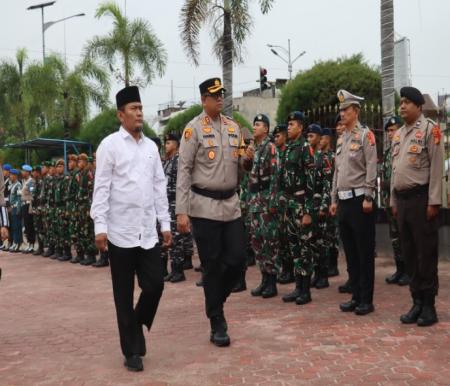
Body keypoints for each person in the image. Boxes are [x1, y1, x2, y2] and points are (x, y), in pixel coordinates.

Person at [91, 86, 171, 372]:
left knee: (155, 285)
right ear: (120, 114)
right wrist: (100, 227)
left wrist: (166, 223)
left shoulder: (151, 146)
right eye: (133, 109)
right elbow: (101, 189)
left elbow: (159, 187)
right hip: (120, 233)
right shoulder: (109, 146)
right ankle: (131, 351)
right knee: (122, 295)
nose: (139, 113)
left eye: (140, 108)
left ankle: (136, 324)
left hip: (147, 232)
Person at [176, 77, 246, 347]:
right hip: (203, 207)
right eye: (214, 95)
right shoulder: (193, 130)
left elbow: (241, 165)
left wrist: (247, 162)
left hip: (231, 205)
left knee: (238, 260)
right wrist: (182, 211)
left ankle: (217, 300)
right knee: (212, 266)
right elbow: (183, 170)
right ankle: (217, 321)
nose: (220, 99)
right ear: (203, 99)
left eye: (222, 94)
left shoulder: (233, 127)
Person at [391, 86, 443, 327]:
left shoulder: (430, 130)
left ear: (419, 106)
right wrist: (392, 200)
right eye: (400, 102)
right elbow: (394, 171)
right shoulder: (399, 134)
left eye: (407, 102)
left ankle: (429, 305)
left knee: (425, 254)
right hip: (402, 201)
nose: (402, 106)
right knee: (409, 254)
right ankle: (416, 301)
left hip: (422, 200)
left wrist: (434, 201)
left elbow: (436, 168)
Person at [330, 89, 377, 316]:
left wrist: (368, 196)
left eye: (345, 109)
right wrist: (333, 198)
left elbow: (371, 167)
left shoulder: (365, 135)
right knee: (350, 252)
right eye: (340, 109)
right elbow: (337, 173)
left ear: (355, 111)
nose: (341, 113)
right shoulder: (341, 139)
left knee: (364, 252)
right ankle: (356, 295)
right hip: (344, 201)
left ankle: (366, 299)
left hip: (360, 201)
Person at [280, 112, 314, 306]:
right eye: (288, 124)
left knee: (304, 247)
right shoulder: (288, 148)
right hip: (290, 204)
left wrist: (308, 211)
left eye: (292, 124)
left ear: (300, 127)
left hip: (301, 203)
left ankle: (306, 290)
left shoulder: (305, 148)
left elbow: (310, 181)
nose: (289, 127)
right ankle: (298, 287)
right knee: (294, 247)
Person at [244, 114, 279, 298]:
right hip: (255, 200)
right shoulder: (255, 148)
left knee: (269, 241)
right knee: (257, 241)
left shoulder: (270, 148)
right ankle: (264, 278)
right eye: (254, 124)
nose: (254, 127)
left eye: (257, 124)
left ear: (266, 129)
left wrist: (273, 202)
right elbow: (246, 169)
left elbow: (275, 176)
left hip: (266, 200)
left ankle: (272, 281)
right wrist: (247, 157)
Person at [382, 116, 409, 286]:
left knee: (404, 235)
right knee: (394, 236)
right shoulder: (387, 152)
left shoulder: (404, 148)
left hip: (401, 200)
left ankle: (408, 270)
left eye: (393, 130)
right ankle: (399, 269)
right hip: (388, 200)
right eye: (389, 131)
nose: (391, 134)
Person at [306, 124, 330, 290]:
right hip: (310, 205)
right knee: (312, 241)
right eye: (308, 136)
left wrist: (324, 206)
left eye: (312, 136)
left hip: (320, 203)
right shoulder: (308, 156)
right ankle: (316, 273)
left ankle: (323, 275)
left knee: (322, 241)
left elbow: (328, 184)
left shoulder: (324, 158)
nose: (309, 139)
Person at [161, 133, 186, 283]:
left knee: (177, 239)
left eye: (169, 143)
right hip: (167, 203)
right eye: (165, 143)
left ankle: (179, 271)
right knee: (171, 238)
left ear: (176, 145)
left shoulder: (178, 161)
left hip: (176, 203)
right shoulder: (167, 162)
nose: (166, 145)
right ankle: (173, 269)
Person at [273, 123, 293, 285]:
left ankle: (289, 270)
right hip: (278, 200)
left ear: (285, 136)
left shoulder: (288, 153)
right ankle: (284, 269)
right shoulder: (276, 153)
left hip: (288, 200)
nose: (276, 139)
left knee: (287, 237)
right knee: (280, 237)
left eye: (278, 136)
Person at [319, 128, 339, 278]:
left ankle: (333, 264)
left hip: (331, 199)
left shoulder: (332, 157)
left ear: (328, 139)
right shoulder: (317, 156)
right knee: (323, 235)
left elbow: (335, 180)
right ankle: (324, 265)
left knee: (332, 234)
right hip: (319, 199)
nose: (321, 141)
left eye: (323, 138)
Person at [20, 164, 35, 253]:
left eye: (23, 171)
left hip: (29, 205)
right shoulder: (24, 181)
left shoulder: (30, 182)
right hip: (24, 205)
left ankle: (32, 244)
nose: (22, 173)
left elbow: (32, 195)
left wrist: (31, 207)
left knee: (30, 225)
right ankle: (29, 243)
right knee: (26, 225)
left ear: (27, 172)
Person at [8, 168, 23, 253]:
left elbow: (19, 198)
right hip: (12, 207)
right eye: (10, 175)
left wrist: (18, 209)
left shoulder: (18, 185)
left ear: (15, 176)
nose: (10, 176)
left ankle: (18, 243)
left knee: (17, 226)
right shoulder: (12, 184)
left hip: (16, 208)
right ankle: (15, 242)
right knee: (14, 226)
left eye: (11, 175)